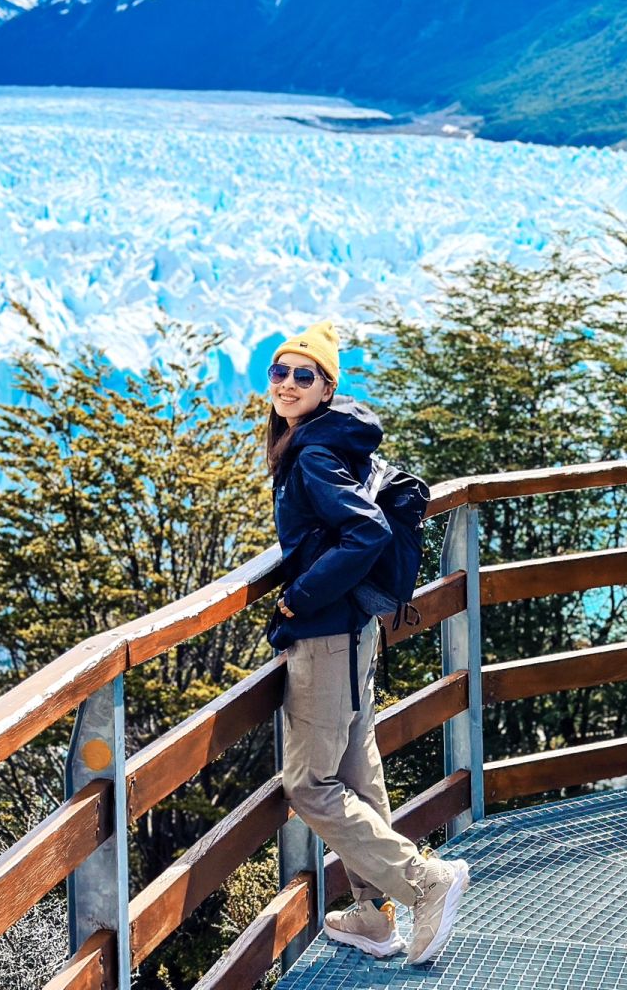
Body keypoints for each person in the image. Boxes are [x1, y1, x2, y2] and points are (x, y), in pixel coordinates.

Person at [265, 318, 470, 965]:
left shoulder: (316, 453)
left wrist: (299, 597)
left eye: (305, 374)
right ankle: (375, 916)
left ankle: (425, 882)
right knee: (356, 770)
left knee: (309, 787)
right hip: (353, 633)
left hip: (326, 636)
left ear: (327, 387)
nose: (289, 383)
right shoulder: (328, 439)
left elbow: (367, 533)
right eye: (280, 372)